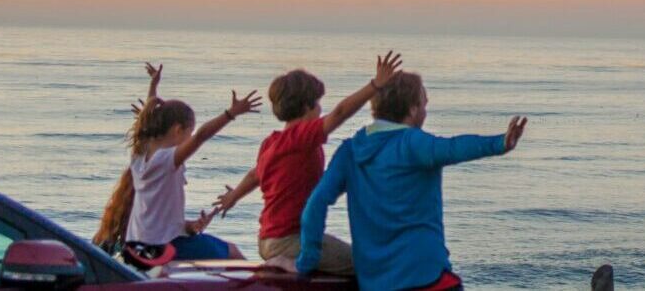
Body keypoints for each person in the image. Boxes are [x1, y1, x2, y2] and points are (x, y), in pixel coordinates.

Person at [299, 69, 529, 290]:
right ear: (411, 110)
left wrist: (308, 260)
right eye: (424, 105)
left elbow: (315, 205)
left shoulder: (350, 151)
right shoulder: (411, 143)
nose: (425, 112)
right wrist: (500, 143)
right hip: (426, 277)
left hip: (375, 283)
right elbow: (452, 148)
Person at [206, 51, 403, 275]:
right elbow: (339, 113)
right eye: (318, 103)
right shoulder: (301, 137)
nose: (321, 109)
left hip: (268, 239)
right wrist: (375, 86)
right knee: (370, 263)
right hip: (291, 242)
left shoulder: (271, 143)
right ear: (307, 106)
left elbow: (254, 175)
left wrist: (233, 197)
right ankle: (290, 264)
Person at [109, 63, 257, 267]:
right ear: (178, 130)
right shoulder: (167, 159)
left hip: (137, 245)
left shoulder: (139, 154)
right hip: (162, 247)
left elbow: (148, 115)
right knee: (234, 254)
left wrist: (187, 226)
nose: (190, 137)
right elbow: (201, 137)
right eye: (189, 132)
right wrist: (231, 114)